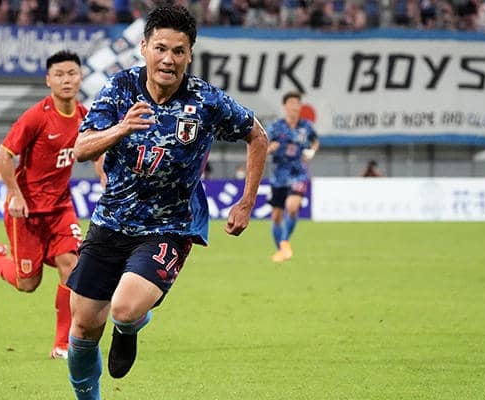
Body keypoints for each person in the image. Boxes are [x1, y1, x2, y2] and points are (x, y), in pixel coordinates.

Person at [64, 5, 268, 399]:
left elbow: (257, 136)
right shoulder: (120, 88)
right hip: (110, 222)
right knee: (84, 326)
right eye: (160, 48)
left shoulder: (206, 100)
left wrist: (246, 202)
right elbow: (82, 148)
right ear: (144, 48)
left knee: (123, 308)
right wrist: (122, 128)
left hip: (168, 227)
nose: (168, 60)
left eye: (178, 51)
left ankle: (129, 325)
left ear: (190, 54)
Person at [0, 50, 88, 360]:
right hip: (26, 211)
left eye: (72, 73)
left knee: (72, 267)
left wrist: (105, 175)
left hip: (61, 208)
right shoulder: (36, 116)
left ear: (81, 77)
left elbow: (98, 151)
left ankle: (63, 345)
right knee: (28, 283)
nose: (66, 80)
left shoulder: (84, 115)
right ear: (48, 80)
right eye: (59, 75)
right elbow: (4, 155)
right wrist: (16, 194)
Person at [266, 91, 319, 263]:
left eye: (297, 103)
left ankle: (284, 241)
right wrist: (270, 148)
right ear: (285, 106)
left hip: (298, 172)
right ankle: (281, 250)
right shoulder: (275, 127)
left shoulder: (306, 126)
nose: (294, 107)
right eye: (291, 103)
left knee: (292, 207)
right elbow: (262, 145)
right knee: (276, 216)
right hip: (279, 175)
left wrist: (311, 151)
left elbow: (315, 141)